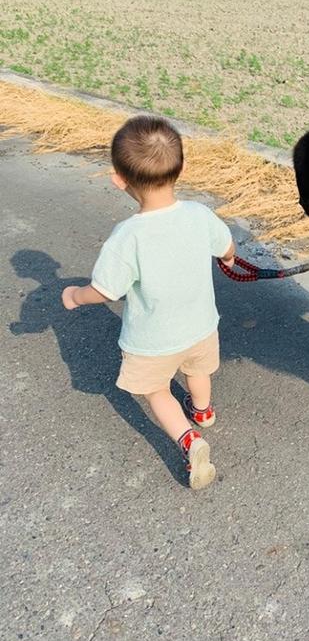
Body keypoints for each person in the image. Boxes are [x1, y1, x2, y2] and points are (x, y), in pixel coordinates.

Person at [62, 114, 235, 489]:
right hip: (201, 326)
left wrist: (75, 296)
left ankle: (190, 440)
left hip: (152, 342)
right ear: (183, 168)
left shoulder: (127, 236)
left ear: (118, 180)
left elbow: (105, 290)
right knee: (197, 370)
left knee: (157, 392)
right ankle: (203, 412)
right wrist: (230, 259)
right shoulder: (199, 214)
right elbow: (227, 247)